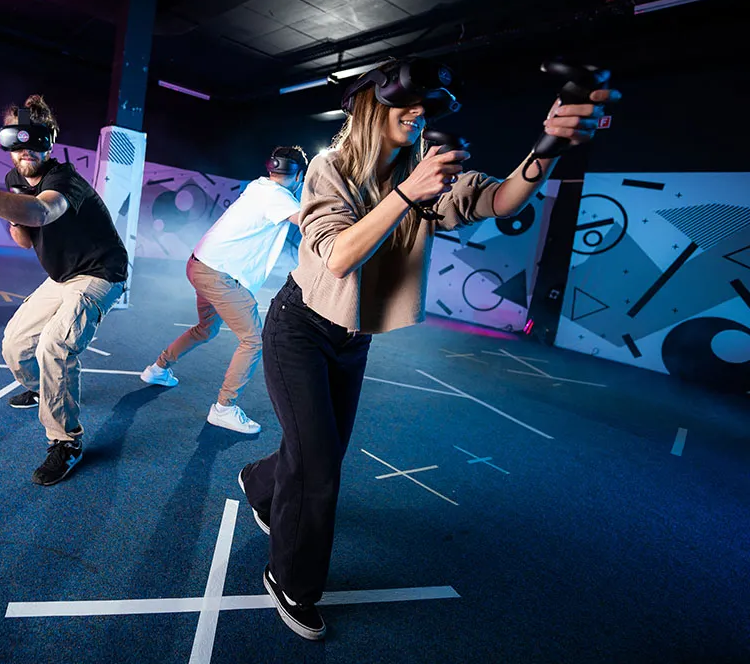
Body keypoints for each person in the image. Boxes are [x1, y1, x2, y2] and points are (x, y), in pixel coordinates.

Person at [236, 59, 620, 640]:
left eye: (427, 108)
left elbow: (503, 200)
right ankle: (291, 582)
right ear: (370, 106)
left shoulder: (426, 175)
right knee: (319, 470)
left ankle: (260, 481)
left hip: (352, 336)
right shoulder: (330, 168)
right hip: (299, 328)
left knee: (322, 451)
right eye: (406, 104)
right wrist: (406, 195)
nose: (419, 115)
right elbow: (338, 255)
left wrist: (551, 143)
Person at [0, 95, 128, 486]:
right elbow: (25, 239)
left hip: (100, 273)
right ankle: (42, 389)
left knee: (56, 346)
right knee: (15, 345)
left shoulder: (65, 180)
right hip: (63, 275)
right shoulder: (16, 180)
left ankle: (66, 442)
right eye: (16, 141)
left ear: (49, 141)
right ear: (8, 142)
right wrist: (9, 214)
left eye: (34, 141)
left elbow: (42, 212)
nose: (25, 151)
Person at [139, 146, 307, 434]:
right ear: (298, 175)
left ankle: (158, 368)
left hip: (200, 265)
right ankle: (224, 408)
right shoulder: (278, 197)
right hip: (219, 275)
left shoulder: (259, 186)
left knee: (206, 328)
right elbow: (308, 221)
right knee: (253, 340)